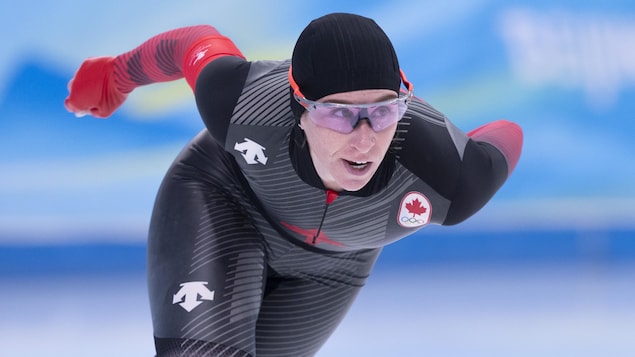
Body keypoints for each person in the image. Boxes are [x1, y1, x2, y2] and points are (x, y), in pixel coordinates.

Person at [65, 13, 523, 357]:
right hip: (224, 201)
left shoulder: (450, 178)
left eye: (383, 111)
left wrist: (458, 144)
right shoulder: (242, 102)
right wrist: (115, 76)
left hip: (332, 266)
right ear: (299, 107)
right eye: (339, 113)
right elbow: (192, 42)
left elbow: (508, 134)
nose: (364, 139)